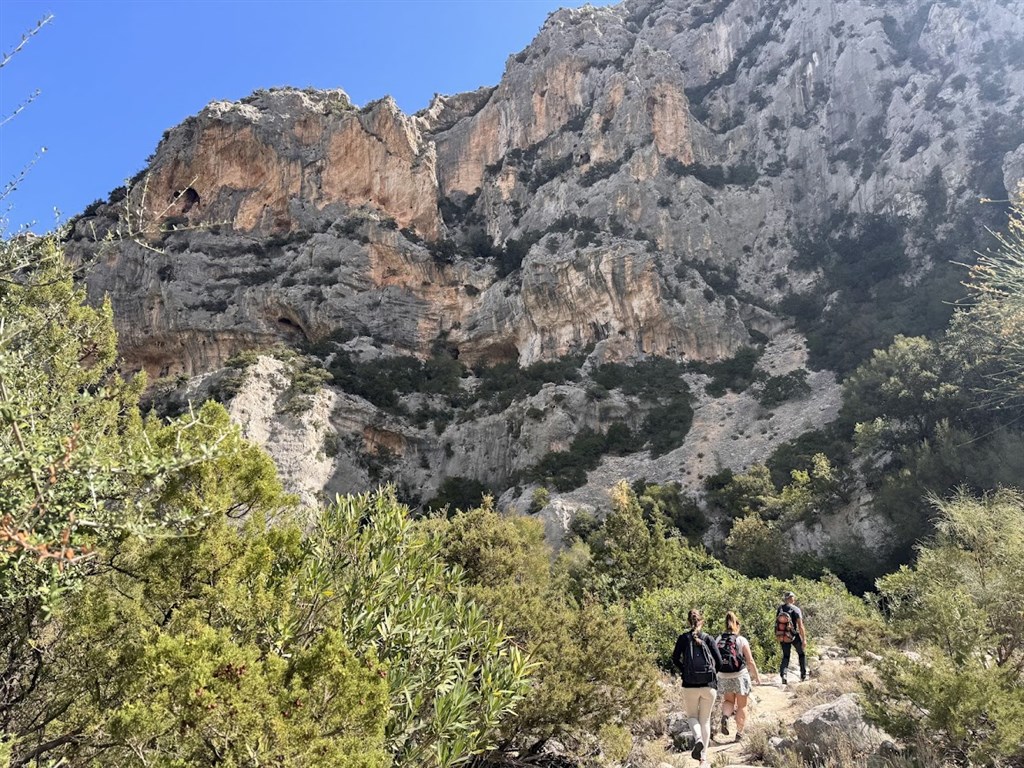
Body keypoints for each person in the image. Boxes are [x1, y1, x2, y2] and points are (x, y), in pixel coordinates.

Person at [672, 608, 723, 767]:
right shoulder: (708, 638)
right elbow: (719, 662)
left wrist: (685, 671)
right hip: (709, 685)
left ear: (689, 622)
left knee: (692, 717)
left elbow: (675, 658)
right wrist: (712, 674)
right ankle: (703, 759)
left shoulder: (683, 638)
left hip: (689, 685)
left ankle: (698, 739)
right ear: (701, 621)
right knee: (705, 720)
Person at [716, 611, 761, 741]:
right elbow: (750, 660)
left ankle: (725, 716)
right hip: (740, 675)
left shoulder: (719, 639)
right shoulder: (741, 640)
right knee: (742, 705)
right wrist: (756, 676)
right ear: (737, 625)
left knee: (729, 701)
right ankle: (739, 733)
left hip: (724, 675)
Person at [775, 591, 807, 685]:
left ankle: (784, 675)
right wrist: (804, 639)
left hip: (782, 635)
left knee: (786, 656)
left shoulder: (780, 608)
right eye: (793, 597)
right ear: (791, 598)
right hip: (793, 635)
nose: (794, 599)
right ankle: (803, 675)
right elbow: (800, 626)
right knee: (801, 654)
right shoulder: (796, 609)